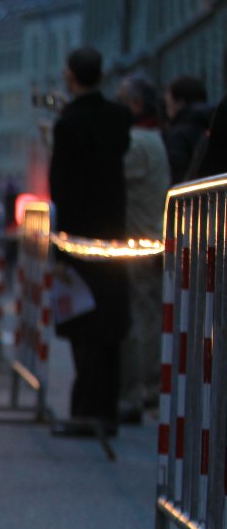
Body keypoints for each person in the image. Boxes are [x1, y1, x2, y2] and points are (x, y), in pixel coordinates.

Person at [48, 47, 131, 438]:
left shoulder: (69, 124)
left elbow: (63, 189)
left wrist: (60, 246)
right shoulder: (119, 117)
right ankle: (107, 409)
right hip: (115, 234)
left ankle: (85, 411)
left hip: (80, 240)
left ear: (70, 76)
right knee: (110, 324)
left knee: (83, 324)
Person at [116, 74, 169, 421]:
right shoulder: (154, 138)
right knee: (148, 315)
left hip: (138, 243)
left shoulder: (137, 142)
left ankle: (141, 389)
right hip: (149, 239)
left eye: (121, 100)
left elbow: (112, 174)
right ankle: (148, 387)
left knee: (139, 320)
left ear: (135, 105)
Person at [163, 75, 211, 184]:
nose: (167, 108)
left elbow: (176, 171)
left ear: (180, 102)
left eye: (169, 102)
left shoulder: (178, 134)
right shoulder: (216, 123)